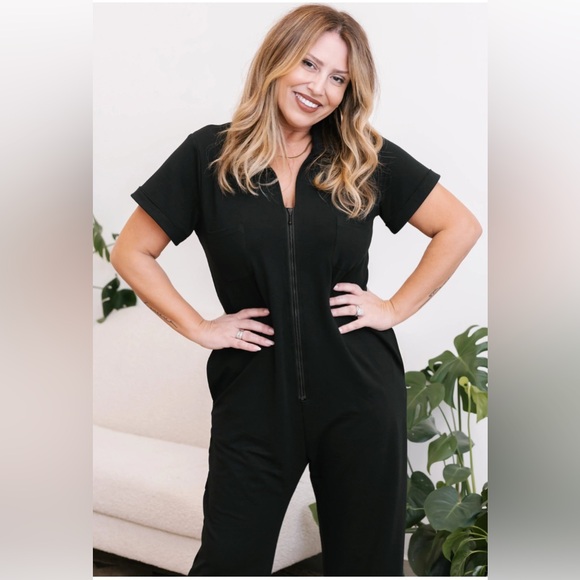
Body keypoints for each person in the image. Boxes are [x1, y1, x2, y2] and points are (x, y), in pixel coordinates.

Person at [111, 4, 482, 576]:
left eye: (338, 78)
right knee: (230, 560)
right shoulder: (209, 155)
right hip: (254, 391)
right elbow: (132, 250)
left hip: (358, 389)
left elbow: (459, 226)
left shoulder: (363, 155)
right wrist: (199, 327)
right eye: (309, 64)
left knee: (365, 565)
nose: (319, 88)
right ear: (277, 59)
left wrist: (394, 307)